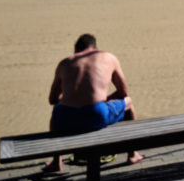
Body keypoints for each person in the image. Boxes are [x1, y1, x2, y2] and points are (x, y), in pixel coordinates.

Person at [45, 33, 145, 172]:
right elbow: (124, 93)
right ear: (95, 48)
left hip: (66, 119)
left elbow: (52, 99)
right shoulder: (109, 57)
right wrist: (103, 100)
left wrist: (69, 98)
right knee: (129, 102)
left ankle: (57, 162)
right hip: (95, 114)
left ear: (76, 50)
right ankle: (132, 154)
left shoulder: (65, 63)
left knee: (56, 110)